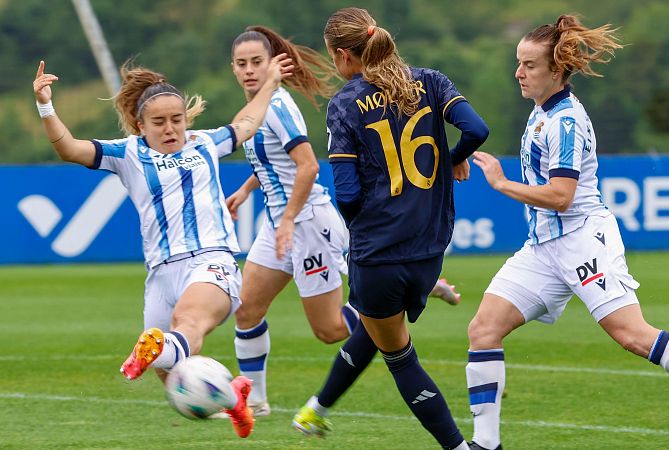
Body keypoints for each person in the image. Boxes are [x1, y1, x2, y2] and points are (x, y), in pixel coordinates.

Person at [465, 15, 669, 450]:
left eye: (528, 65)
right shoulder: (542, 110)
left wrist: (501, 183)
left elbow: (562, 195)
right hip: (543, 248)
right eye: (519, 63)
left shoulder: (565, 121)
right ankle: (486, 444)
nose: (518, 73)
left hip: (583, 240)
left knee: (632, 335)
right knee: (483, 330)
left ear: (556, 70)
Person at [32, 54, 292, 438]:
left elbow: (247, 123)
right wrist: (45, 104)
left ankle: (154, 348)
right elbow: (69, 148)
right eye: (159, 122)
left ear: (187, 121)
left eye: (177, 120)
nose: (170, 129)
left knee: (189, 324)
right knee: (172, 371)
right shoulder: (128, 154)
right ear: (141, 125)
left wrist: (269, 83)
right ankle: (233, 401)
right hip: (161, 273)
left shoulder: (206, 143)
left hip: (211, 260)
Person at [215, 26, 462, 419]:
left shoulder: (277, 107)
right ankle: (255, 402)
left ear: (273, 64)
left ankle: (396, 297)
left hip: (306, 221)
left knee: (329, 331)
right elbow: (273, 160)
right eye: (241, 64)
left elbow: (308, 166)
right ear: (232, 68)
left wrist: (289, 221)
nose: (249, 70)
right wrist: (247, 190)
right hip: (280, 222)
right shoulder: (254, 111)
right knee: (247, 310)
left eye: (256, 62)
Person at [290, 7, 488, 450]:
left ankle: (457, 447)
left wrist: (363, 232)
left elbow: (346, 193)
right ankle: (316, 410)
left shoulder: (345, 103)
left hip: (378, 252)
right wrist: (454, 157)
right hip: (430, 246)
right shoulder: (432, 82)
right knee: (376, 328)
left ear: (343, 55)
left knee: (397, 354)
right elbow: (477, 128)